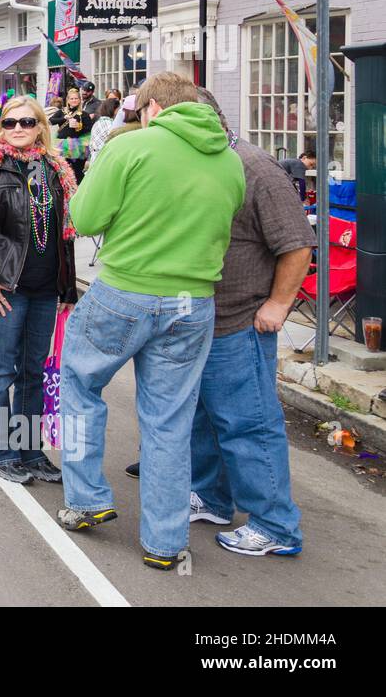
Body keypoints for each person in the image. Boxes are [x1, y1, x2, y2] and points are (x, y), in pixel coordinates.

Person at [57, 71, 244, 572]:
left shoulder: (132, 147)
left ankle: (87, 498)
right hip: (194, 301)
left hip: (127, 289)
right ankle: (164, 542)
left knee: (78, 386)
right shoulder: (230, 161)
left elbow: (86, 218)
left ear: (154, 108)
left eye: (138, 110)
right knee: (169, 420)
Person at [190, 89, 312, 557]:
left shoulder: (256, 168)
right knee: (206, 420)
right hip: (201, 319)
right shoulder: (203, 163)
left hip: (241, 320)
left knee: (249, 425)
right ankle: (213, 497)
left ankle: (275, 524)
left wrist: (279, 304)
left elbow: (298, 243)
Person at [0, 95, 77, 483]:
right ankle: (0, 450)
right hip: (6, 289)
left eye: (26, 122)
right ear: (0, 128)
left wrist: (67, 289)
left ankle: (29, 451)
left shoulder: (57, 171)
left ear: (41, 126)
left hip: (45, 291)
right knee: (2, 369)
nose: (18, 129)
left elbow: (66, 235)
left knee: (34, 372)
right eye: (10, 123)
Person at [49, 87, 93, 185]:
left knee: (78, 172)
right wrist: (64, 118)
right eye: (71, 99)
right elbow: (51, 121)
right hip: (62, 145)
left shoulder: (84, 114)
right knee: (62, 170)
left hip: (78, 146)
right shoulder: (62, 112)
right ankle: (66, 189)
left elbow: (90, 129)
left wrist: (79, 126)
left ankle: (79, 190)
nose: (74, 100)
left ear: (79, 100)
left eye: (76, 98)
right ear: (68, 100)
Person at [86, 97, 121, 163]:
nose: (120, 111)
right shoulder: (109, 124)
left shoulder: (99, 122)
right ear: (113, 109)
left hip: (95, 159)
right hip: (103, 160)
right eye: (118, 108)